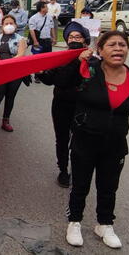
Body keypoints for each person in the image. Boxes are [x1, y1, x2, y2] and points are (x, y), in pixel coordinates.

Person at [58, 31, 129, 250]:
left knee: (108, 187)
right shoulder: (88, 71)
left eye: (122, 45)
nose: (118, 48)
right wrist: (76, 62)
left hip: (115, 144)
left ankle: (105, 224)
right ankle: (74, 222)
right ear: (100, 50)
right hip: (84, 140)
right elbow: (60, 82)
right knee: (80, 185)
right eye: (112, 45)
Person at [36, 21, 91, 188]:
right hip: (62, 105)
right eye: (71, 37)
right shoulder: (61, 58)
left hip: (84, 107)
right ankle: (63, 169)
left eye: (78, 36)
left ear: (85, 40)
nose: (74, 39)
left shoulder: (93, 60)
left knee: (80, 140)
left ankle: (79, 169)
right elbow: (56, 80)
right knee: (62, 139)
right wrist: (39, 71)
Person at [0, 15, 28, 132]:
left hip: (15, 71)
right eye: (6, 23)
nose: (9, 25)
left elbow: (21, 54)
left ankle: (6, 120)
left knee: (10, 96)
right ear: (2, 25)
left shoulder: (20, 39)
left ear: (15, 25)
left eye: (11, 23)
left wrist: (9, 62)